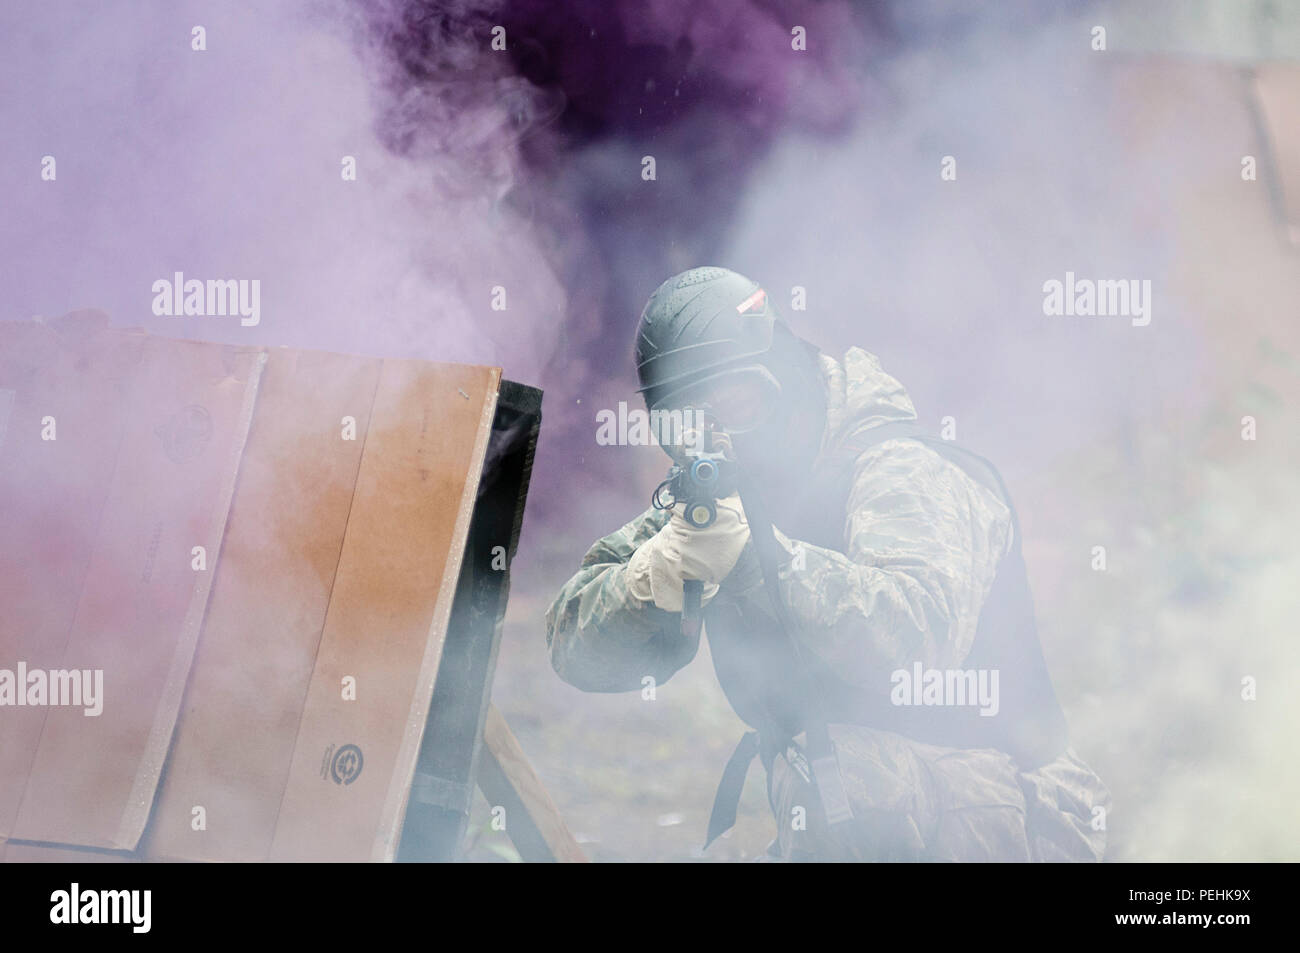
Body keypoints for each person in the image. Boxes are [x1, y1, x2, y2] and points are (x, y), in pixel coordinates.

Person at [545, 266, 1109, 861]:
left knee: (847, 777)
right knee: (837, 781)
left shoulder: (903, 468)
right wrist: (654, 576)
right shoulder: (718, 494)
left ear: (785, 379)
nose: (716, 435)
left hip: (1014, 813)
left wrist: (768, 563)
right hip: (865, 814)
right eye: (688, 419)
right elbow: (569, 644)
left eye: (735, 402)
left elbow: (917, 639)